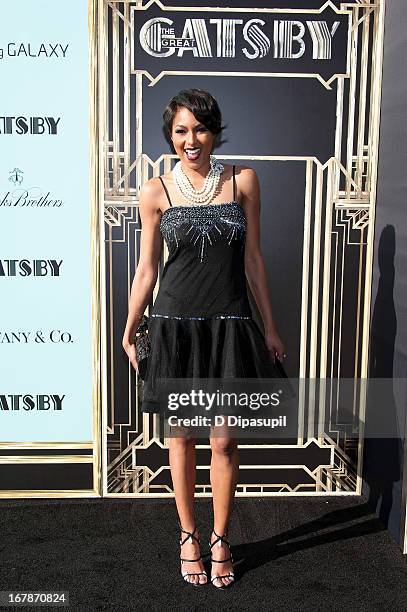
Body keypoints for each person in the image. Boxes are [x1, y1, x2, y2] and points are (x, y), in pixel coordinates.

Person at [122, 88, 288, 589]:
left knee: (223, 438)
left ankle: (220, 538)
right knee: (182, 437)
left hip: (229, 326)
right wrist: (129, 328)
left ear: (214, 131)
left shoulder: (243, 182)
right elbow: (147, 267)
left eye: (199, 129)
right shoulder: (155, 191)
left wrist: (272, 327)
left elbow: (254, 260)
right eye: (180, 131)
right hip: (175, 326)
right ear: (169, 137)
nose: (190, 140)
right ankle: (187, 535)